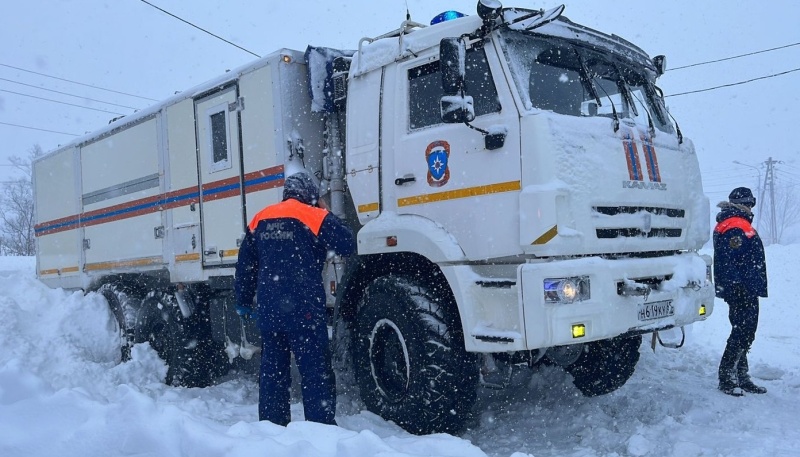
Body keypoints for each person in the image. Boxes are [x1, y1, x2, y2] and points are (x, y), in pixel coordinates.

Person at [235, 171, 356, 425]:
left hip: (270, 313)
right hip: (305, 311)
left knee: (273, 374)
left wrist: (243, 300)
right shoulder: (314, 215)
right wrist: (325, 210)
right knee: (315, 373)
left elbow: (245, 265)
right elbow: (347, 243)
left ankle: (272, 428)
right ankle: (320, 429)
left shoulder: (260, 218)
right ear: (309, 195)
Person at [713, 186, 768, 396]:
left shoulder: (731, 222)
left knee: (742, 330)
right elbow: (728, 261)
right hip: (743, 288)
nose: (751, 208)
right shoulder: (736, 225)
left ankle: (741, 376)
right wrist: (737, 287)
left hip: (742, 287)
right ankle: (727, 377)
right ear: (745, 204)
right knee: (743, 332)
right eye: (750, 203)